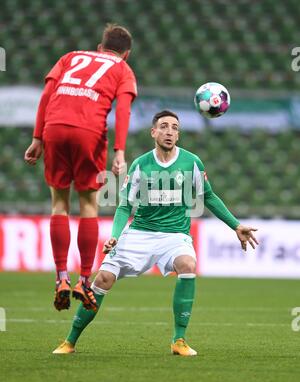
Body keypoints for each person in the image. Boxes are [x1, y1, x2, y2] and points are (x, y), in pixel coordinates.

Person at [53, 110, 258, 356]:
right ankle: (70, 341)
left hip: (175, 235)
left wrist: (236, 225)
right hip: (140, 232)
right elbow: (125, 205)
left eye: (174, 127)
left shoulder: (191, 162)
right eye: (164, 126)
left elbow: (209, 196)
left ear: (178, 135)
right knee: (103, 279)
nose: (169, 131)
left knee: (188, 264)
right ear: (154, 132)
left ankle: (179, 340)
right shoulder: (141, 164)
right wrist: (116, 235)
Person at [24, 24, 137, 312]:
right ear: (126, 54)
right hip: (89, 131)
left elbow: (46, 95)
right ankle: (83, 280)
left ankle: (61, 277)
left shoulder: (70, 57)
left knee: (58, 204)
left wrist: (38, 137)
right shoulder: (123, 70)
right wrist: (119, 151)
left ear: (100, 47)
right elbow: (123, 110)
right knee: (89, 205)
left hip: (54, 127)